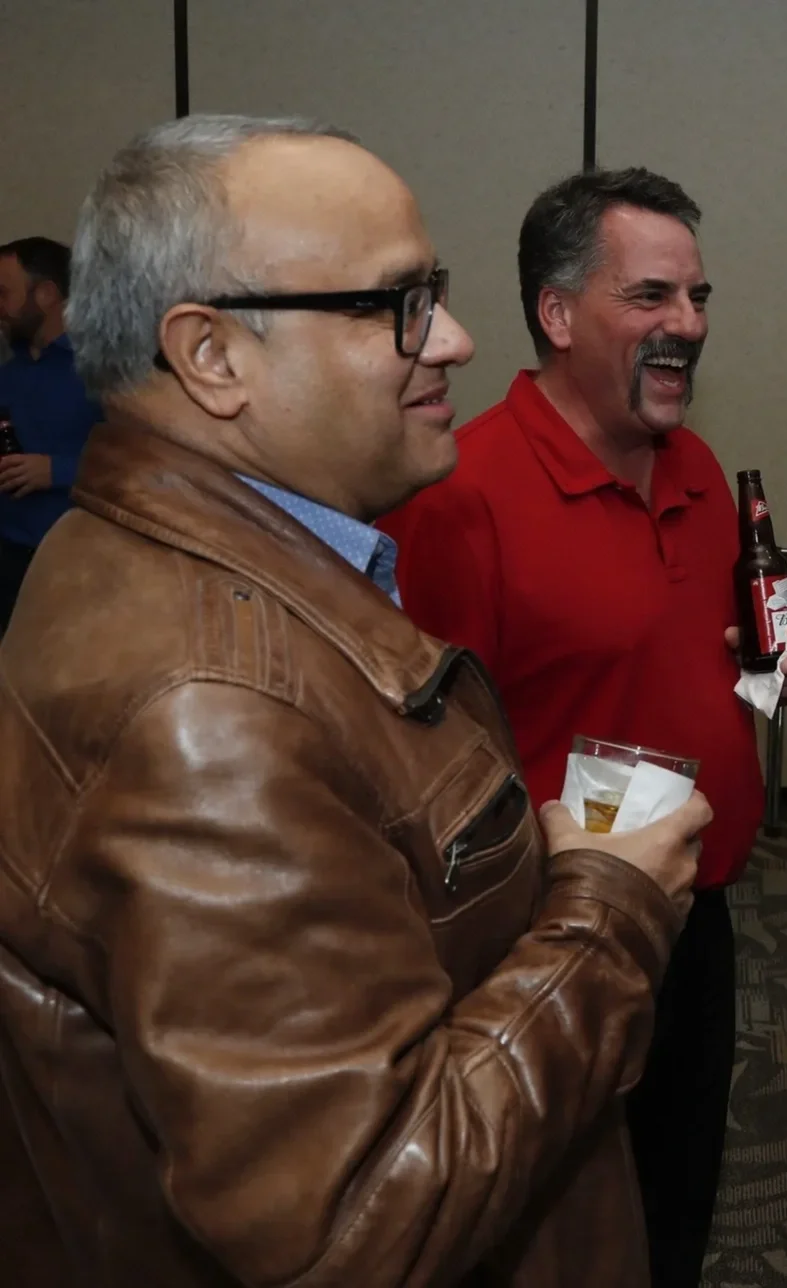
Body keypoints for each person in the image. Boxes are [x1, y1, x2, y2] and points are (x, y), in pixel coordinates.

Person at [0, 114, 708, 1287]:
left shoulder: (153, 555)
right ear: (212, 355)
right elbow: (354, 1216)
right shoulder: (207, 715)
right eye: (398, 305)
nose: (457, 339)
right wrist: (610, 904)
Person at [379, 166, 787, 1288]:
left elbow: (708, 659)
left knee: (677, 1204)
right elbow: (421, 765)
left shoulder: (703, 470)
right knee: (560, 1234)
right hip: (548, 937)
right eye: (653, 298)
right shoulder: (463, 493)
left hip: (698, 915)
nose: (689, 325)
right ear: (557, 312)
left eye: (699, 298)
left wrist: (772, 683)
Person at [0, 236, 101, 632]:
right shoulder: (8, 374)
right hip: (8, 556)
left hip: (76, 562)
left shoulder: (101, 372)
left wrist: (56, 471)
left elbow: (146, 462)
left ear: (45, 295)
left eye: (3, 293)